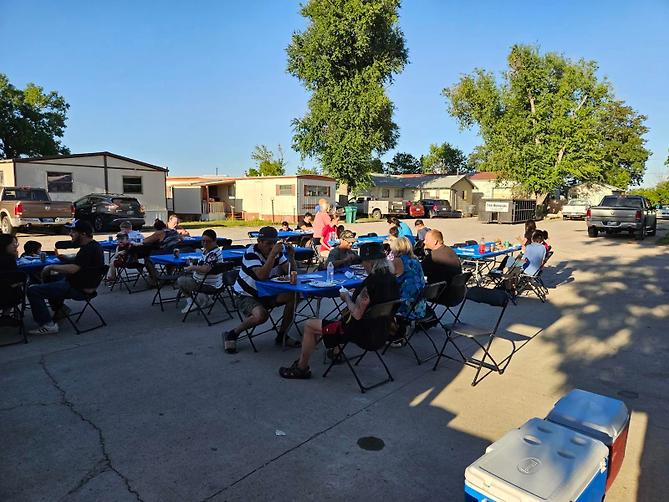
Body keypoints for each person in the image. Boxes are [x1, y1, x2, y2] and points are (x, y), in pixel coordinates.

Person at [279, 242, 399, 379]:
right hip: (382, 331)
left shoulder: (371, 282)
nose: (362, 265)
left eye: (363, 262)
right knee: (340, 318)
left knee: (310, 325)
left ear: (370, 262)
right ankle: (335, 352)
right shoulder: (391, 279)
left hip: (362, 333)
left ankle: (302, 367)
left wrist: (346, 297)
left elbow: (357, 314)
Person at [223, 227, 300, 353]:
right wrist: (273, 254)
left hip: (266, 292)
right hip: (246, 294)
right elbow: (261, 276)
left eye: (274, 243)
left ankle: (282, 335)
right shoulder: (251, 253)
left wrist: (291, 257)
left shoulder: (277, 253)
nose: (272, 246)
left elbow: (291, 273)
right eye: (268, 243)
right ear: (259, 241)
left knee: (294, 296)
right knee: (261, 316)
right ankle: (232, 333)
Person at [27, 220, 104, 335]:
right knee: (51, 279)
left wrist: (51, 267)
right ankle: (61, 309)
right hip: (82, 284)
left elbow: (74, 268)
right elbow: (82, 263)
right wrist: (68, 259)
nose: (70, 234)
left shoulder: (88, 249)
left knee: (33, 290)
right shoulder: (94, 246)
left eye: (73, 231)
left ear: (83, 234)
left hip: (78, 289)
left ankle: (48, 325)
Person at [177, 229, 223, 313]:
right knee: (184, 275)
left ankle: (191, 303)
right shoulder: (208, 251)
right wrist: (194, 262)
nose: (205, 243)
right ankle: (204, 299)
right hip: (210, 282)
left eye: (208, 241)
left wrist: (192, 267)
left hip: (207, 285)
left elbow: (206, 269)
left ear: (215, 241)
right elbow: (204, 263)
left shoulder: (213, 254)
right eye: (203, 241)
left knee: (180, 280)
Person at [390, 237, 426, 320]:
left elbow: (385, 277)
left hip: (405, 306)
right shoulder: (415, 260)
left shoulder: (397, 261)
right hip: (419, 306)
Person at [141, 219, 182, 284]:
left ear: (155, 228)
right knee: (168, 255)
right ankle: (170, 276)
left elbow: (145, 241)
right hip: (174, 253)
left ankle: (155, 279)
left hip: (165, 253)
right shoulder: (174, 231)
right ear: (164, 226)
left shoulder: (159, 233)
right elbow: (181, 239)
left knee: (147, 259)